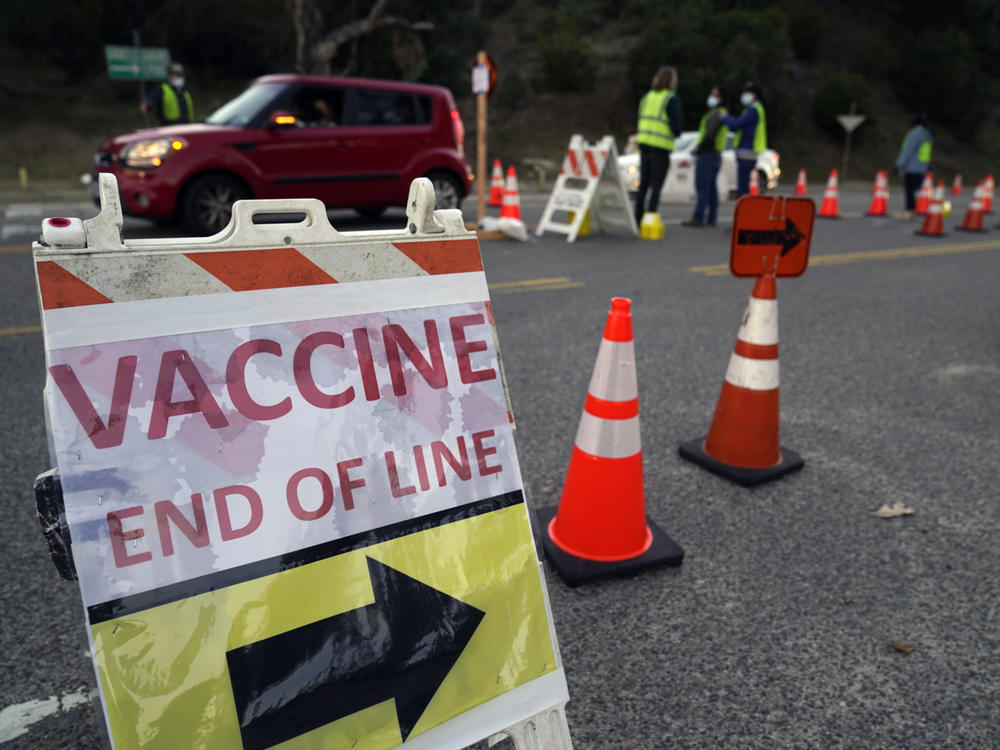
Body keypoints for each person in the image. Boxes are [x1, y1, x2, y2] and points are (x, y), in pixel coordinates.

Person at [633, 66, 683, 226]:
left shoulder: (647, 97)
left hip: (644, 145)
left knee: (643, 185)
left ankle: (637, 218)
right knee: (656, 187)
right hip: (660, 148)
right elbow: (677, 128)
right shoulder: (670, 99)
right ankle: (650, 218)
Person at [683, 86, 728, 227]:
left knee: (702, 186)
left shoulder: (716, 114)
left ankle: (698, 217)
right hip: (715, 154)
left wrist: (698, 149)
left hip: (708, 154)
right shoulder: (721, 113)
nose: (711, 97)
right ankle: (711, 217)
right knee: (711, 187)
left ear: (721, 99)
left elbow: (709, 135)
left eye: (715, 95)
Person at [722, 81, 767, 197]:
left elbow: (736, 124)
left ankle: (744, 212)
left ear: (755, 94)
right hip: (747, 152)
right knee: (744, 186)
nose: (744, 95)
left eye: (747, 92)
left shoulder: (753, 110)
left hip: (747, 152)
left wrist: (725, 117)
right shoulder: (752, 109)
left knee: (743, 189)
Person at [894, 112, 933, 220]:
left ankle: (909, 211)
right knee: (916, 190)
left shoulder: (915, 134)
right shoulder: (927, 135)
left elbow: (908, 151)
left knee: (909, 190)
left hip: (912, 166)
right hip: (922, 167)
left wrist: (899, 165)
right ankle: (915, 210)